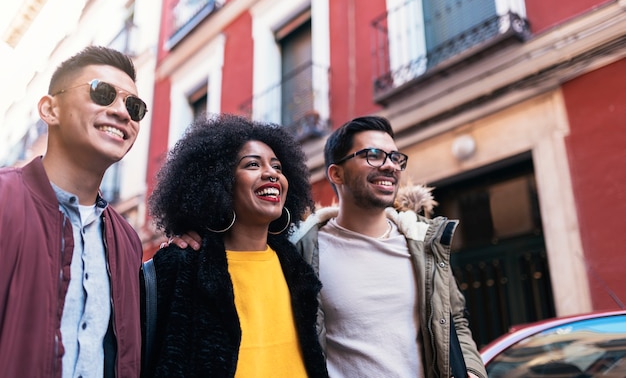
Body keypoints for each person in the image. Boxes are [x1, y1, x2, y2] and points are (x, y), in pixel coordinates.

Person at [289, 116, 487, 378]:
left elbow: (455, 320)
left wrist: (472, 371)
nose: (389, 166)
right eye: (373, 155)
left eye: (395, 157)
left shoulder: (423, 243)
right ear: (337, 173)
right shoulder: (303, 253)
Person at [0, 46, 149, 377]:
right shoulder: (4, 200)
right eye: (102, 93)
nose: (123, 113)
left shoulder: (127, 241)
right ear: (50, 109)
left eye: (134, 107)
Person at [142, 114, 328, 378]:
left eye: (277, 167)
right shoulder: (183, 266)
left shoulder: (297, 265)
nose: (272, 174)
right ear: (219, 183)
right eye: (252, 164)